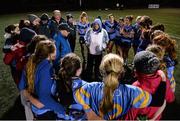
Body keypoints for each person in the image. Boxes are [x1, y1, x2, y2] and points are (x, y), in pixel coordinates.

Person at [58, 53, 166, 120]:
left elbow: (71, 98)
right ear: (121, 72)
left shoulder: (87, 88)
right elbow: (158, 101)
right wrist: (163, 81)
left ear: (101, 70)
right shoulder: (133, 92)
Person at [18, 40, 67, 120]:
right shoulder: (46, 68)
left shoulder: (30, 62)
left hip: (35, 108)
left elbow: (21, 86)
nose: (56, 52)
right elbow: (44, 98)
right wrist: (61, 109)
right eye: (55, 49)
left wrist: (28, 95)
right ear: (49, 54)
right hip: (46, 111)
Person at [124, 51, 175, 120]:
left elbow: (130, 115)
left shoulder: (135, 87)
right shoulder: (164, 80)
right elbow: (170, 98)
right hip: (156, 117)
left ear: (136, 71)